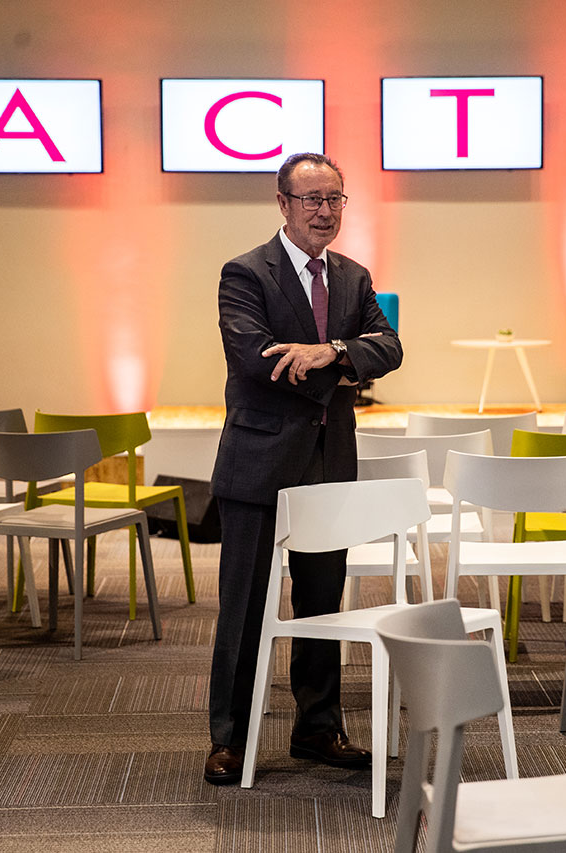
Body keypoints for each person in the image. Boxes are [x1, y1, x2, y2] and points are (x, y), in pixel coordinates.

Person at [205, 152, 403, 785]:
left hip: (328, 463)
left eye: (334, 199)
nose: (324, 210)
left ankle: (318, 728)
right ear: (283, 204)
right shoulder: (245, 273)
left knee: (322, 605)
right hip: (258, 464)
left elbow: (389, 346)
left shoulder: (353, 276)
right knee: (244, 606)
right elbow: (255, 358)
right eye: (311, 199)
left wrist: (331, 351)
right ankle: (230, 737)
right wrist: (343, 368)